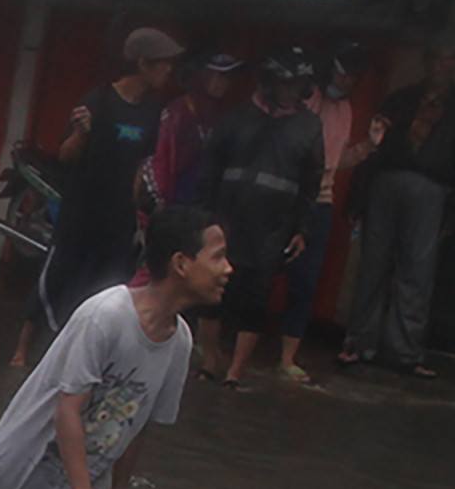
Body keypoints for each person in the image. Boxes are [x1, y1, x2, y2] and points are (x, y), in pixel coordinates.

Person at [0, 203, 231, 489]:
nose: (228, 269)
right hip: (24, 467)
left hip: (84, 483)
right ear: (181, 264)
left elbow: (137, 424)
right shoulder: (106, 316)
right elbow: (68, 411)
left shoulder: (180, 343)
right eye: (218, 258)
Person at [10, 26, 182, 370]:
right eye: (163, 64)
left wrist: (138, 210)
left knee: (107, 291)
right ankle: (22, 350)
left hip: (118, 218)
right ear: (144, 64)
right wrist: (81, 133)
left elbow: (139, 166)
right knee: (57, 277)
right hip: (82, 211)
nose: (169, 71)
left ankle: (83, 359)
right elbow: (67, 156)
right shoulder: (98, 101)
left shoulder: (152, 112)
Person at [342, 35, 455, 377]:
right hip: (386, 182)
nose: (442, 65)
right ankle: (358, 343)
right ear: (426, 61)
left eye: (450, 59)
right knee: (373, 263)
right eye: (437, 58)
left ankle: (406, 352)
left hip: (432, 188)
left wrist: (454, 211)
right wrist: (358, 195)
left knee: (417, 270)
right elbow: (375, 149)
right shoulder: (400, 100)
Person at [199, 45, 327, 389]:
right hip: (226, 219)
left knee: (255, 297)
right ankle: (210, 360)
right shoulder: (237, 117)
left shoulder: (309, 126)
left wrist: (302, 228)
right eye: (284, 84)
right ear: (269, 83)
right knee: (211, 293)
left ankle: (236, 370)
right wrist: (205, 215)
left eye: (297, 85)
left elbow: (311, 182)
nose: (290, 92)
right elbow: (210, 168)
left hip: (273, 227)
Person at [273, 40, 379, 383]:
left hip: (320, 202)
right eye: (342, 72)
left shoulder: (345, 111)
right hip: (287, 197)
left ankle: (287, 357)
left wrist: (368, 147)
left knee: (305, 282)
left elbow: (335, 161)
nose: (347, 81)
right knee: (259, 270)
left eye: (353, 76)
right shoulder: (307, 100)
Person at [150, 48, 240, 209]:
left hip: (209, 207)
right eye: (218, 76)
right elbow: (160, 165)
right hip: (176, 206)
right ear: (200, 75)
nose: (224, 83)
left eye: (228, 77)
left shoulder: (227, 117)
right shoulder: (174, 115)